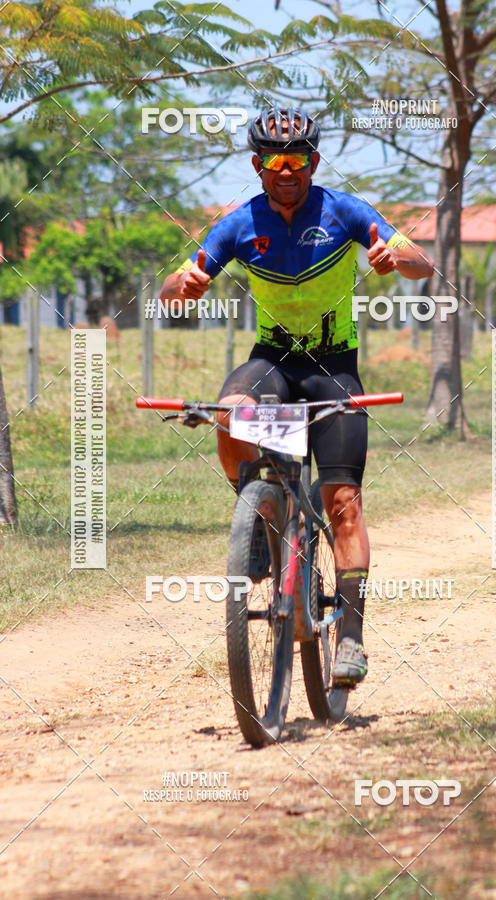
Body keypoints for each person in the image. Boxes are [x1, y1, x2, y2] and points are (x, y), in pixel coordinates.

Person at [159, 107, 434, 687]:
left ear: (315, 161)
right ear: (257, 166)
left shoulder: (344, 211)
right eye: (276, 161)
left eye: (300, 160)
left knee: (343, 503)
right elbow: (171, 291)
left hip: (334, 368)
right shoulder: (238, 224)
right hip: (272, 361)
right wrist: (180, 286)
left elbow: (420, 263)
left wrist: (393, 257)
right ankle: (257, 515)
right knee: (232, 412)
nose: (289, 171)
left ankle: (351, 636)